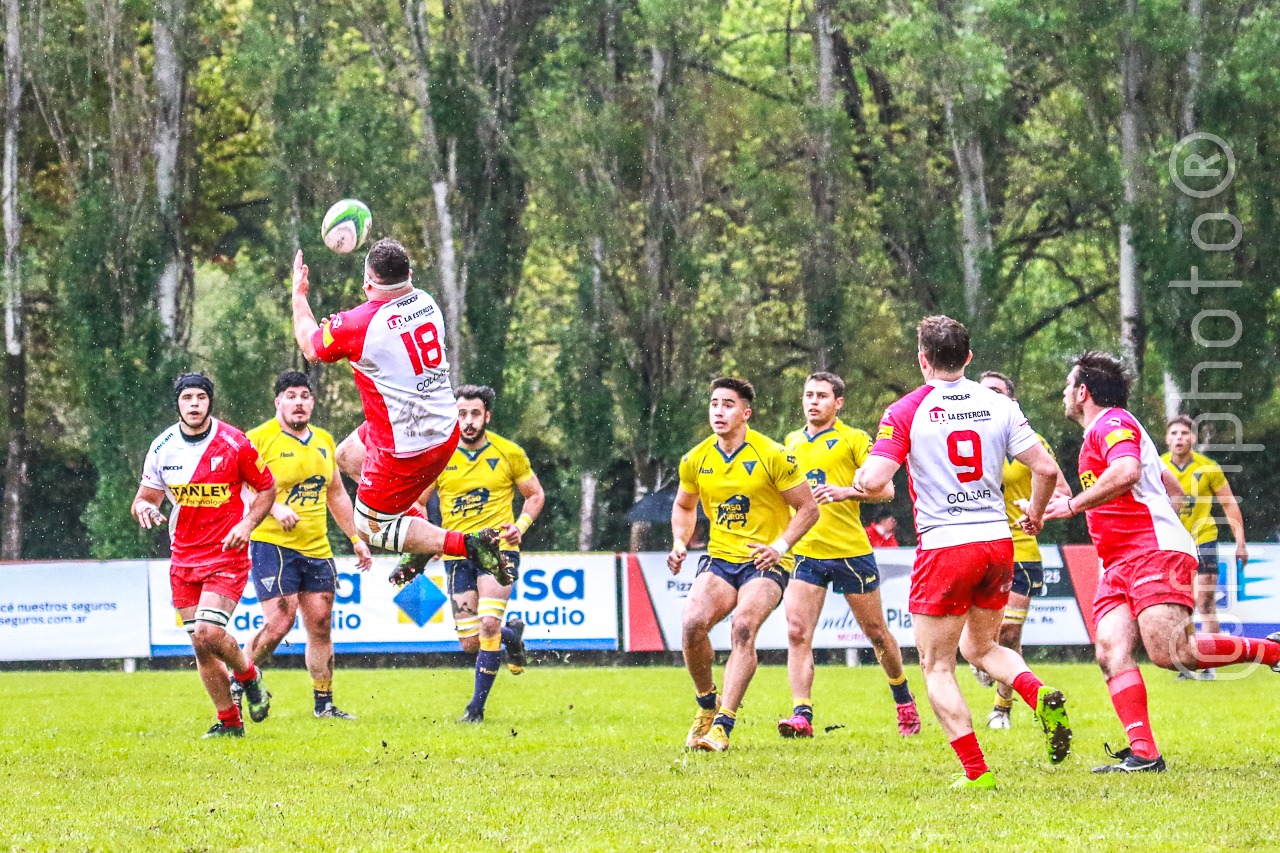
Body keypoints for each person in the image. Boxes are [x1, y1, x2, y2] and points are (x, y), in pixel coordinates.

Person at [853, 316, 1071, 789]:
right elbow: (1046, 468)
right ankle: (1038, 693)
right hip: (997, 544)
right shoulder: (999, 404)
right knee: (982, 646)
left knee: (937, 665)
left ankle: (977, 773)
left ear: (922, 359)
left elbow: (874, 480)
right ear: (968, 357)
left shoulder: (907, 409)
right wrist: (1035, 515)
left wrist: (859, 476)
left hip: (946, 546)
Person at [1041, 351, 1280, 772]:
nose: (1064, 393)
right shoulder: (1106, 430)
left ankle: (1272, 651)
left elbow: (1128, 471)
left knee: (1174, 653)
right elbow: (1172, 488)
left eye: (1067, 385)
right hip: (1118, 561)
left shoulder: (1111, 423)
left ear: (1082, 392)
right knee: (1110, 650)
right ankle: (1145, 755)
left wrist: (1077, 505)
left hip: (1150, 552)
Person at [290, 240, 506, 579]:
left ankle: (468, 545)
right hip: (441, 427)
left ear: (367, 283)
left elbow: (309, 346)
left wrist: (299, 294)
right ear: (410, 274)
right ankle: (417, 542)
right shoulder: (426, 302)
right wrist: (342, 331)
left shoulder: (357, 325)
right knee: (347, 456)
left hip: (405, 447)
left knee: (369, 528)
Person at [669, 378, 819, 752]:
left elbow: (808, 508)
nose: (719, 411)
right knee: (691, 624)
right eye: (714, 404)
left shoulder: (773, 454)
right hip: (721, 558)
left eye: (728, 405)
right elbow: (684, 506)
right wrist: (679, 542)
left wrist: (780, 547)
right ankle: (707, 702)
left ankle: (723, 725)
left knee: (743, 628)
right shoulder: (695, 459)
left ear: (746, 413)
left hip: (764, 561)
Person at [131, 373, 275, 738]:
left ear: (210, 402)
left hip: (227, 553)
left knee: (209, 632)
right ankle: (230, 722)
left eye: (200, 397)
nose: (194, 404)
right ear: (177, 403)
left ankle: (249, 675)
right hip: (183, 558)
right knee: (200, 645)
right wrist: (144, 508)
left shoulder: (235, 443)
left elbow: (266, 488)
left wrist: (247, 524)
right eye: (187, 398)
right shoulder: (162, 447)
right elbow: (145, 498)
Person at [778, 372, 921, 739]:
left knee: (876, 634)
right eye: (809, 395)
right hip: (806, 553)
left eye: (822, 396)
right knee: (797, 632)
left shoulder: (854, 439)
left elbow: (886, 490)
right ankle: (802, 715)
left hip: (850, 552)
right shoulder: (791, 442)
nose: (813, 402)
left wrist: (846, 492)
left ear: (838, 403)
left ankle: (903, 699)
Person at [395, 384, 546, 723]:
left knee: (488, 623)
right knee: (470, 642)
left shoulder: (509, 452)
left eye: (475, 413)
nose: (468, 421)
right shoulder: (440, 455)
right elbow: (417, 501)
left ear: (487, 416)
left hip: (498, 551)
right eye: (461, 414)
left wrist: (520, 526)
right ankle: (512, 637)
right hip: (457, 552)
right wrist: (429, 538)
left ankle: (475, 710)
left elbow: (535, 495)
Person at [239, 371, 373, 721]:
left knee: (321, 624)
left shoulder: (324, 440)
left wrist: (356, 538)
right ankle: (240, 681)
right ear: (278, 402)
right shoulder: (258, 439)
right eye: (291, 396)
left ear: (312, 402)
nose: (298, 402)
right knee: (279, 623)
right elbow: (243, 487)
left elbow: (337, 494)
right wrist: (275, 508)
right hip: (272, 544)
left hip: (316, 547)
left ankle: (324, 704)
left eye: (304, 396)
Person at [972, 371, 1073, 729]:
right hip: (973, 549)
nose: (987, 396)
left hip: (1020, 550)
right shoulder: (962, 436)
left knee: (1009, 634)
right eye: (982, 391)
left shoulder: (1031, 442)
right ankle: (982, 659)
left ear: (1012, 401)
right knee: (976, 638)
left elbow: (1064, 492)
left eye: (996, 391)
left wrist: (1036, 507)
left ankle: (1002, 708)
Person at [1162, 414, 1249, 681]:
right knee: (1180, 605)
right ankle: (1187, 662)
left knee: (1205, 602)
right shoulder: (1157, 466)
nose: (1179, 438)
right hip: (1171, 543)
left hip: (1203, 539)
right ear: (1167, 439)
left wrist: (1240, 541)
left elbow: (1229, 504)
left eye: (1184, 433)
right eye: (1174, 433)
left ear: (1193, 438)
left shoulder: (1208, 467)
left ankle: (1209, 663)